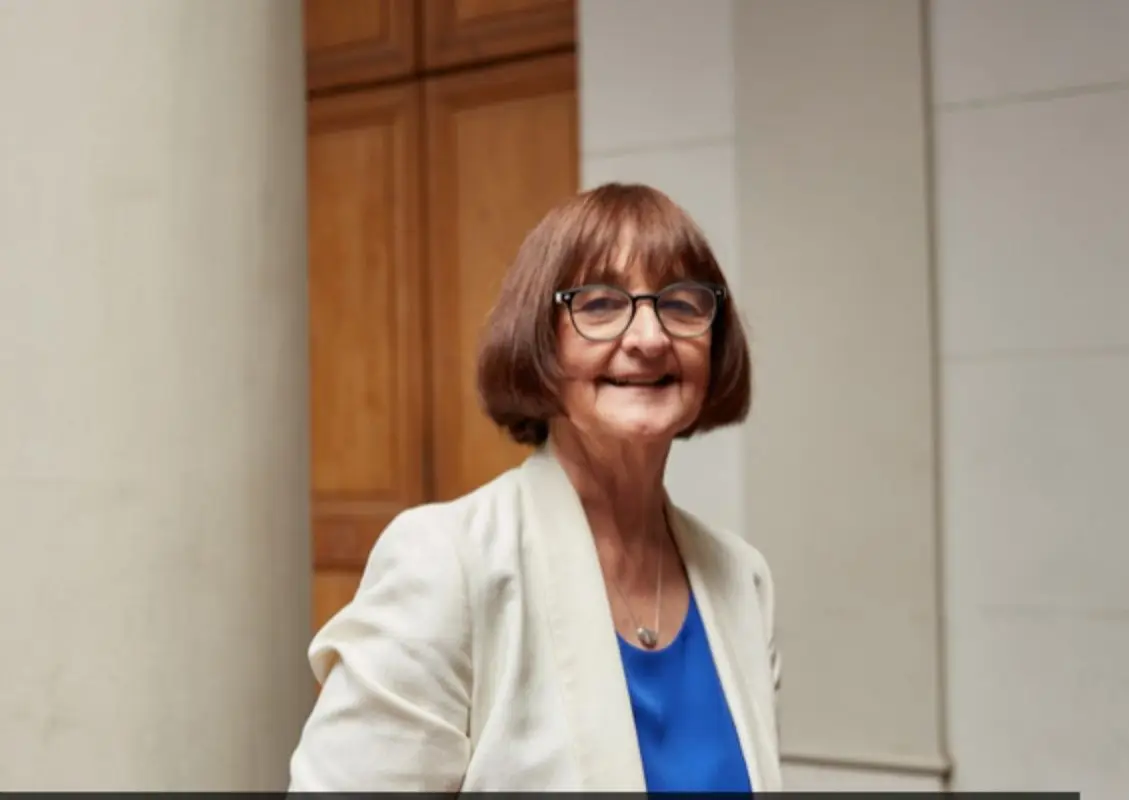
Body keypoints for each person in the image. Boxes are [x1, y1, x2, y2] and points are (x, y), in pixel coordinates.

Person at [287, 183, 782, 792]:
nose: (650, 338)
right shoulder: (448, 563)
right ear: (540, 339)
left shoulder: (742, 580)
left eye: (681, 303)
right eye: (600, 304)